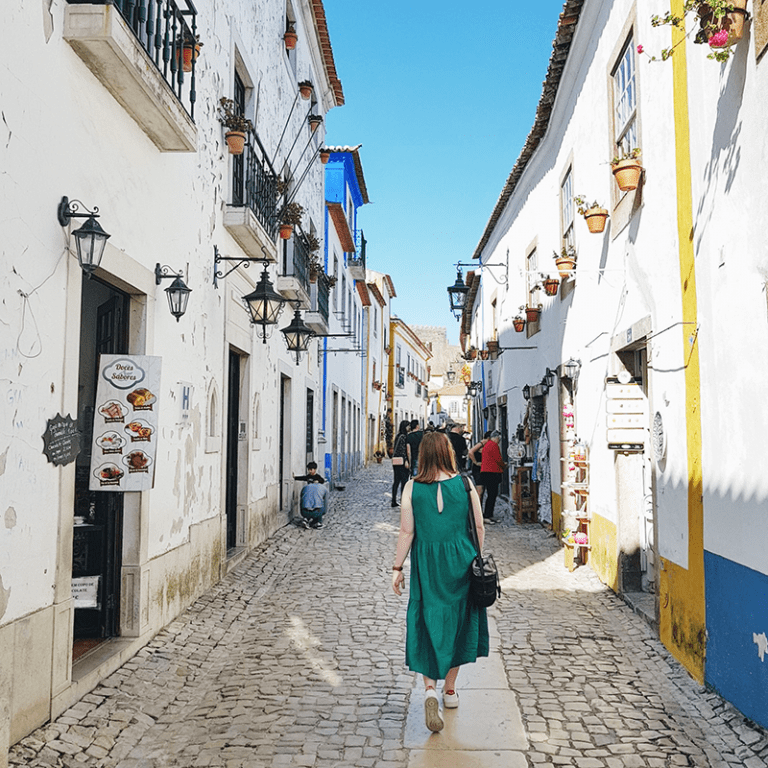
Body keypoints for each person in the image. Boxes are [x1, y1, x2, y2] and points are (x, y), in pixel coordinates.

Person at [391, 431, 489, 733]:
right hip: (460, 559)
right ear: (448, 453)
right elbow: (479, 526)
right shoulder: (465, 484)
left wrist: (397, 567)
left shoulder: (411, 488)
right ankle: (450, 690)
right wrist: (476, 557)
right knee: (458, 620)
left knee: (426, 618)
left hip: (427, 562)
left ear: (422, 455)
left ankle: (430, 689)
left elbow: (407, 532)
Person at [479, 430, 506, 524]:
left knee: (490, 495)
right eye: (499, 439)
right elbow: (498, 459)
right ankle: (487, 515)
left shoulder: (487, 445)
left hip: (486, 472)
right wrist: (504, 465)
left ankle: (488, 515)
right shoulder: (494, 445)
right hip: (492, 473)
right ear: (496, 438)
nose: (499, 441)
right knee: (492, 495)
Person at [294, 462, 328, 528]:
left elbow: (322, 481)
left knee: (313, 505)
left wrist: (318, 481)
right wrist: (295, 477)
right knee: (311, 505)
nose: (309, 471)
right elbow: (303, 478)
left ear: (315, 470)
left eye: (311, 469)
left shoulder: (318, 476)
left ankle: (308, 519)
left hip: (315, 495)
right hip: (310, 495)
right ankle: (314, 521)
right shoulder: (308, 476)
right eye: (308, 470)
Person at [467, 431, 491, 503]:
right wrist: (476, 462)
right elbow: (470, 452)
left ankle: (479, 509)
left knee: (482, 491)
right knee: (480, 491)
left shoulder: (489, 445)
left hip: (485, 470)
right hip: (478, 470)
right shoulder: (482, 443)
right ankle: (477, 510)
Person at [391, 420, 411, 507]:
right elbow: (403, 450)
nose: (409, 428)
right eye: (408, 426)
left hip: (396, 461)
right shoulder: (404, 437)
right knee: (404, 481)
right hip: (402, 462)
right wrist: (406, 460)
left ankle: (393, 500)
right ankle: (403, 500)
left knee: (396, 481)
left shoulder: (398, 436)